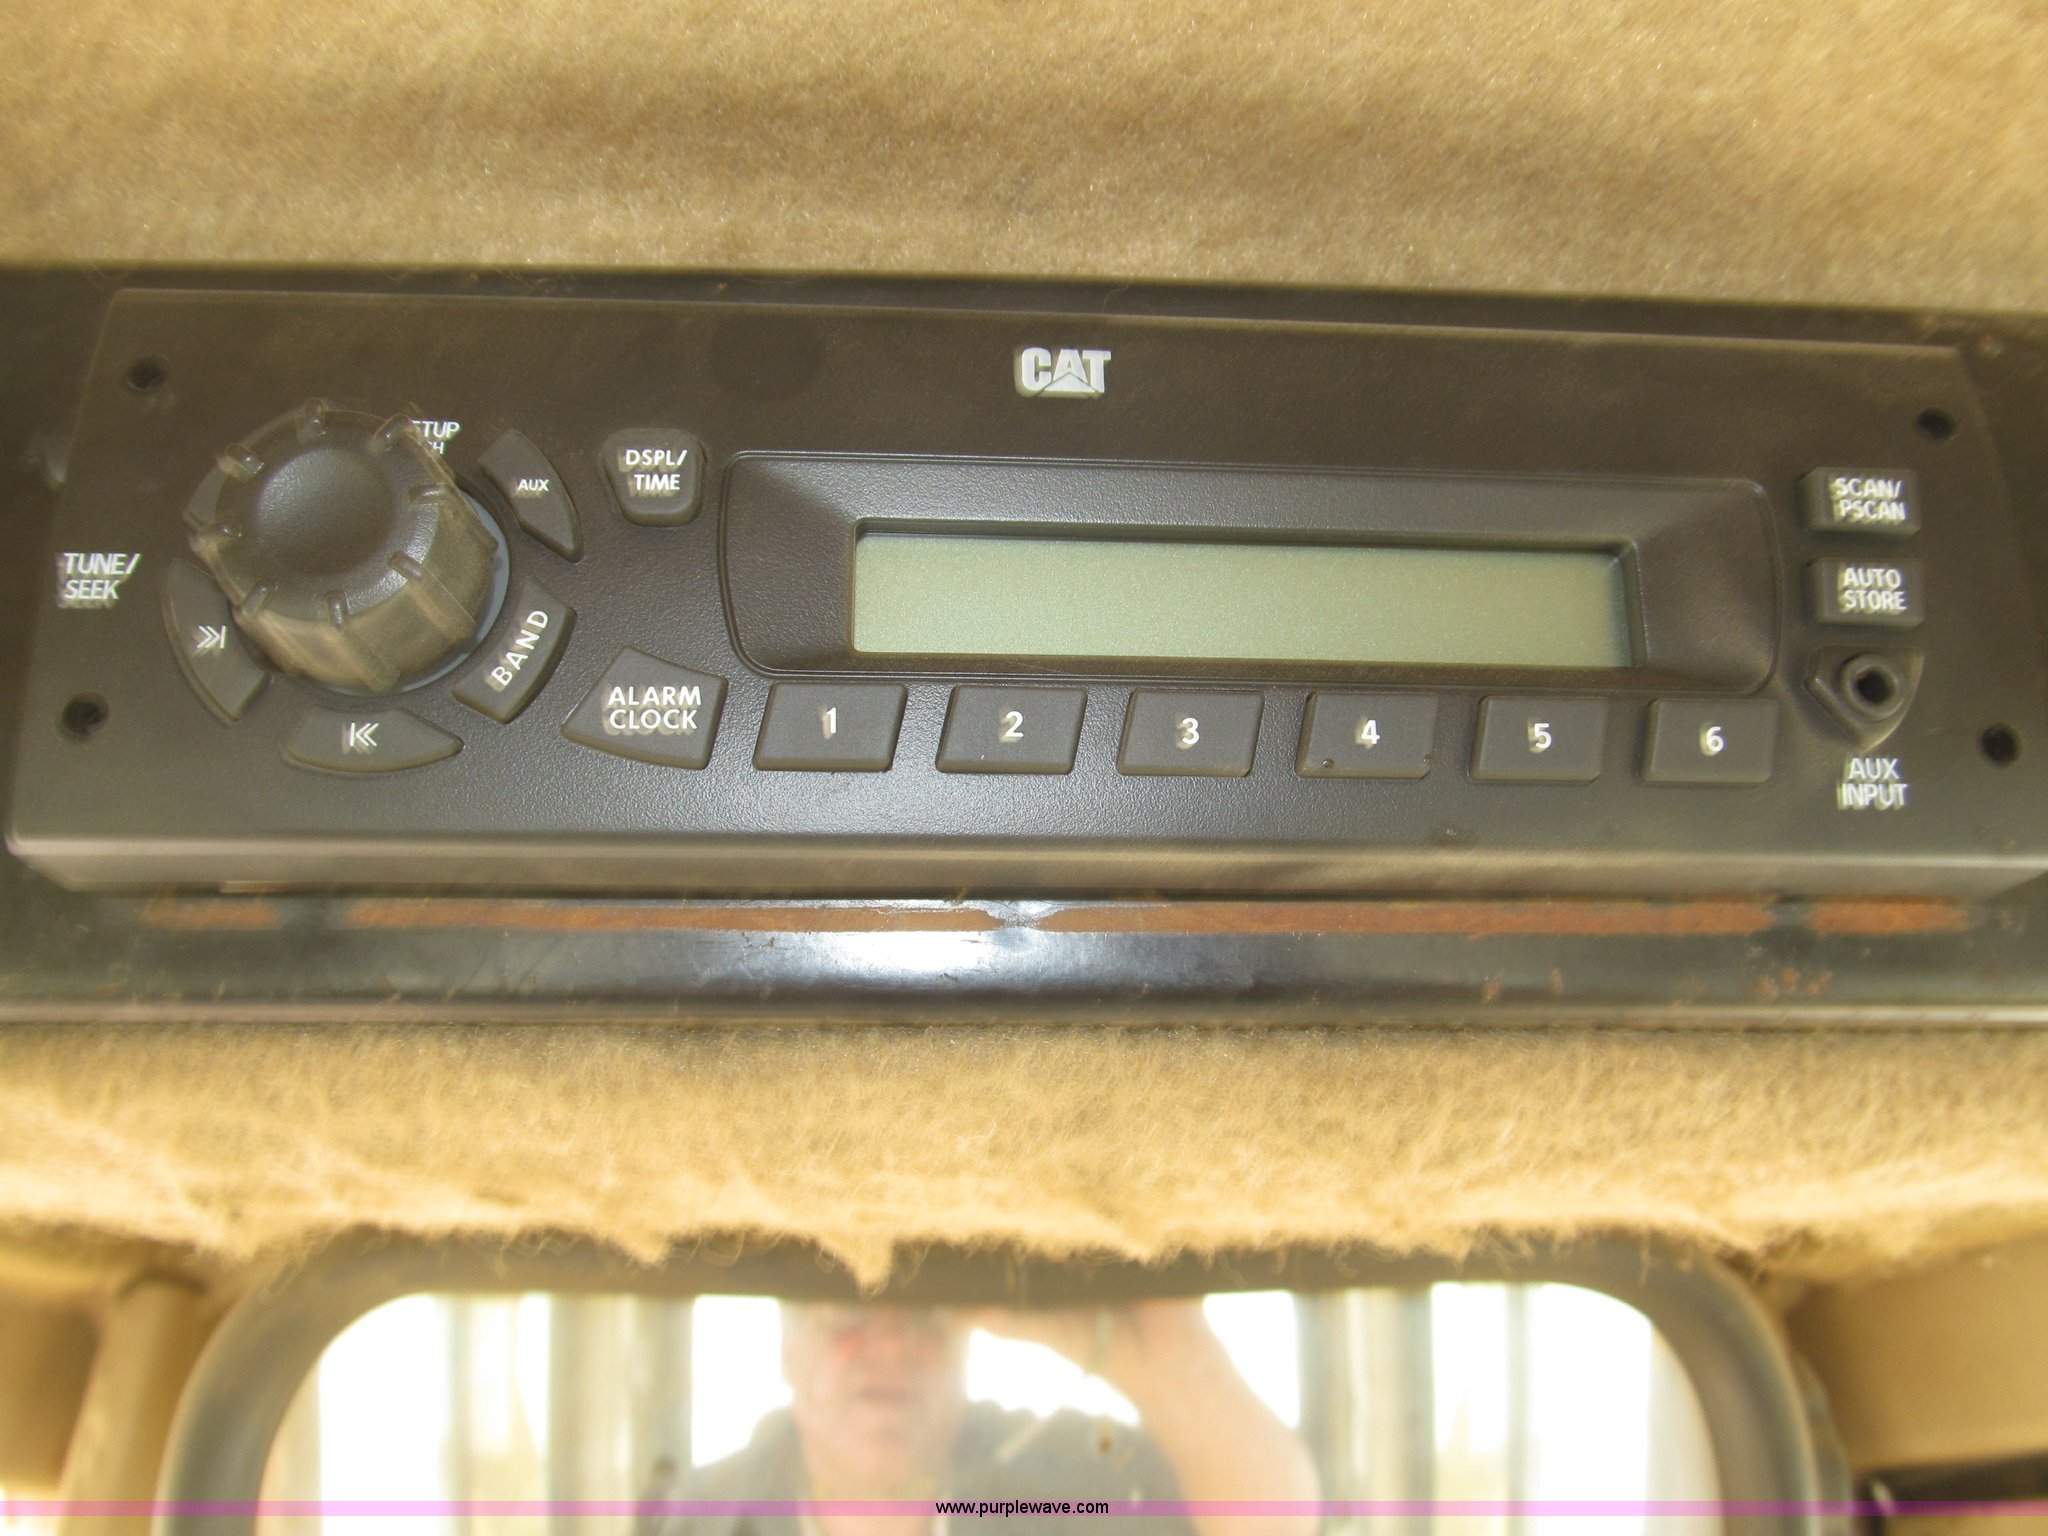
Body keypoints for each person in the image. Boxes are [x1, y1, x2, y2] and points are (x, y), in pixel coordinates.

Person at [655, 1299, 1320, 1536]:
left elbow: (1271, 1520)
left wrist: (1151, 1350)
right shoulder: (697, 1521)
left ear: (969, 1341)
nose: (891, 1346)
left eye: (927, 1314)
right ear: (786, 1353)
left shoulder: (1054, 1490)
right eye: (847, 1314)